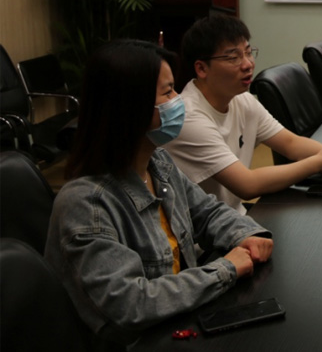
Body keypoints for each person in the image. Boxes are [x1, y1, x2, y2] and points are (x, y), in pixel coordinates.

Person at [45, 40, 273, 346]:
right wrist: (225, 269)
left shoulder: (157, 162)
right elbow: (131, 304)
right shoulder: (87, 204)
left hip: (178, 327)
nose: (178, 101)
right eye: (167, 93)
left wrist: (246, 234)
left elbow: (207, 212)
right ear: (130, 108)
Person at [164, 15, 322, 213]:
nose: (247, 64)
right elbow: (248, 185)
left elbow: (290, 144)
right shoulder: (189, 119)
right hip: (204, 230)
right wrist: (319, 162)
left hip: (234, 218)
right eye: (233, 57)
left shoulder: (241, 99)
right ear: (201, 68)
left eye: (248, 53)